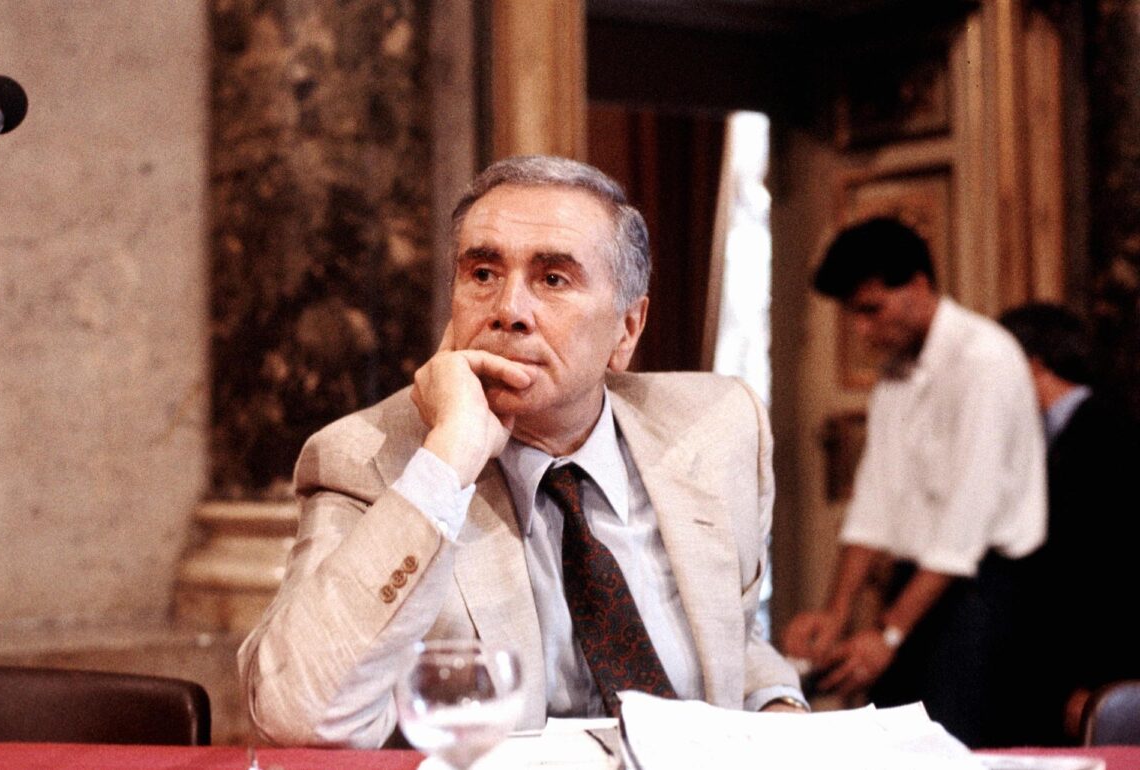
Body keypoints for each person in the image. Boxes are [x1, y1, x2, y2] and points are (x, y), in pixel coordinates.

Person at [238, 155, 806, 747]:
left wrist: (777, 702)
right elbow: (295, 713)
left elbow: (728, 633)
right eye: (483, 273)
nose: (508, 310)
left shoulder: (719, 427)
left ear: (627, 329)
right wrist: (448, 462)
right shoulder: (368, 457)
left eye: (553, 279)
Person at [782, 217, 1046, 747]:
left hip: (982, 596)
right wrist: (836, 613)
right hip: (917, 588)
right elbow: (873, 504)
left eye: (871, 309)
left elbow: (963, 527)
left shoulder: (985, 360)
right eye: (853, 314)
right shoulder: (894, 375)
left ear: (919, 285)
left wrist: (888, 633)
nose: (860, 330)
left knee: (959, 750)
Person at [998, 302, 1140, 745]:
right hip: (1054, 666)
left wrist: (1099, 681)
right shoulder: (1050, 432)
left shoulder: (1109, 431)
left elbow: (1115, 570)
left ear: (1032, 363)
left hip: (1091, 671)